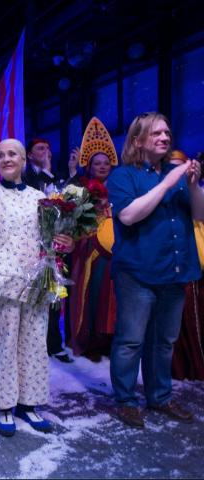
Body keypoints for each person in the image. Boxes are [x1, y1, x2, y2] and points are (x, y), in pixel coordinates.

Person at [0, 138, 74, 437]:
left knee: (34, 345)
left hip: (33, 282)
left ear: (24, 160)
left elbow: (52, 236)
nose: (6, 159)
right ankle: (4, 404)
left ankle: (29, 403)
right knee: (3, 346)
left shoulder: (40, 198)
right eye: (0, 155)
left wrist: (66, 241)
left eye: (12, 154)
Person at [108, 112, 203, 429]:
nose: (165, 137)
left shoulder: (177, 174)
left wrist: (193, 186)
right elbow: (128, 216)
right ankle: (126, 400)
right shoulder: (123, 176)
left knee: (164, 341)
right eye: (156, 133)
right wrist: (167, 184)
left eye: (167, 133)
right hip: (137, 272)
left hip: (174, 270)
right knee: (131, 340)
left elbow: (200, 214)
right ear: (137, 140)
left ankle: (160, 397)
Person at [68, 117, 119, 361]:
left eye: (106, 163)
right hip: (89, 250)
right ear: (89, 166)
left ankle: (110, 340)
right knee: (92, 294)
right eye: (97, 163)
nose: (102, 166)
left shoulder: (120, 187)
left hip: (116, 251)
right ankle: (91, 342)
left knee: (113, 296)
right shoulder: (82, 188)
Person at [24, 138, 73, 363]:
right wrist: (45, 171)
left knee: (54, 294)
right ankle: (31, 344)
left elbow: (64, 203)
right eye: (40, 148)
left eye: (48, 147)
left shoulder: (55, 175)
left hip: (53, 244)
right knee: (33, 296)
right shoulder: (25, 176)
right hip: (30, 244)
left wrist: (71, 173)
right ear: (29, 154)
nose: (46, 151)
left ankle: (54, 343)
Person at [169, 150, 204, 381]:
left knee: (193, 319)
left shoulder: (193, 192)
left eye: (179, 167)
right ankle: (177, 367)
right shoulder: (161, 194)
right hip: (169, 267)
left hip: (194, 266)